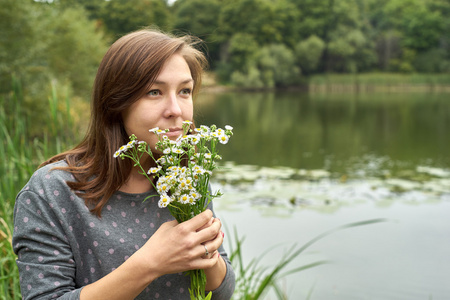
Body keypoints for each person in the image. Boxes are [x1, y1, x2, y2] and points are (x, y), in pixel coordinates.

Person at [12, 29, 235, 300]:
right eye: (154, 92)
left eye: (185, 91)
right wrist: (150, 263)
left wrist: (207, 252)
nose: (176, 109)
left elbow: (222, 292)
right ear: (116, 101)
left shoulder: (185, 178)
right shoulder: (51, 191)